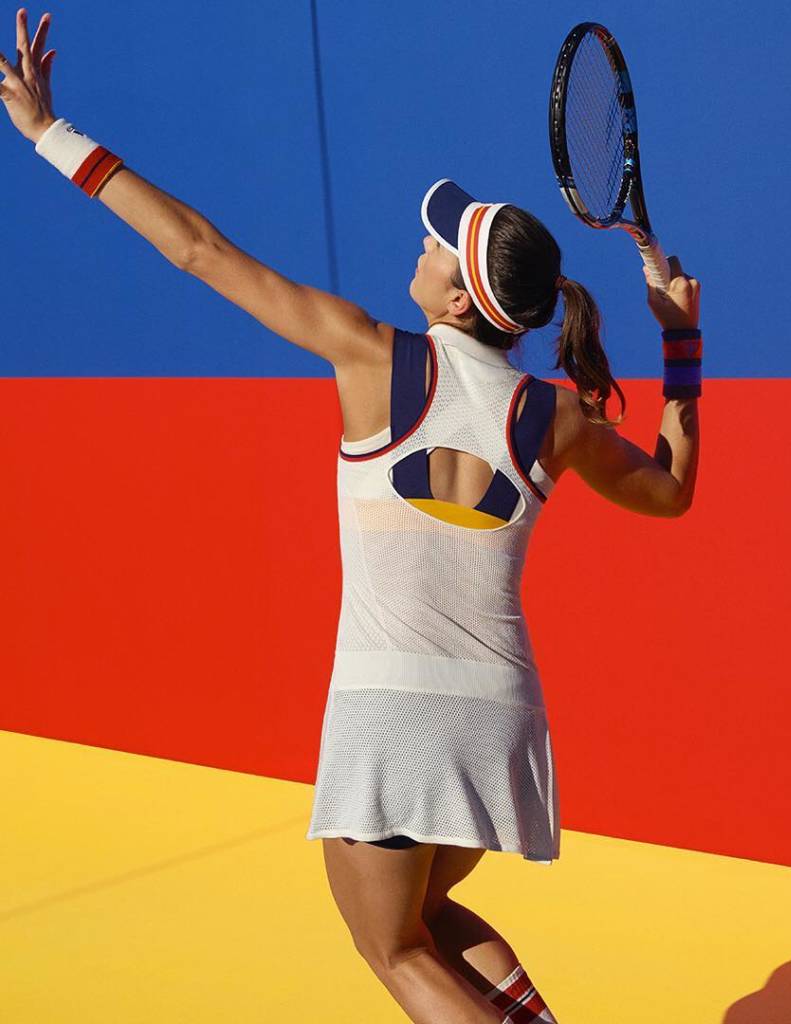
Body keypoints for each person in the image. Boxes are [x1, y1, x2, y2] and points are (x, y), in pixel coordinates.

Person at [2, 9, 701, 1022]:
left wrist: (48, 134)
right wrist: (681, 343)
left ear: (457, 301)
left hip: (393, 715)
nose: (422, 244)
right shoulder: (556, 417)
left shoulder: (370, 354)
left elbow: (198, 251)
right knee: (424, 919)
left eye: (440, 246)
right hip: (497, 717)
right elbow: (671, 493)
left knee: (392, 950)